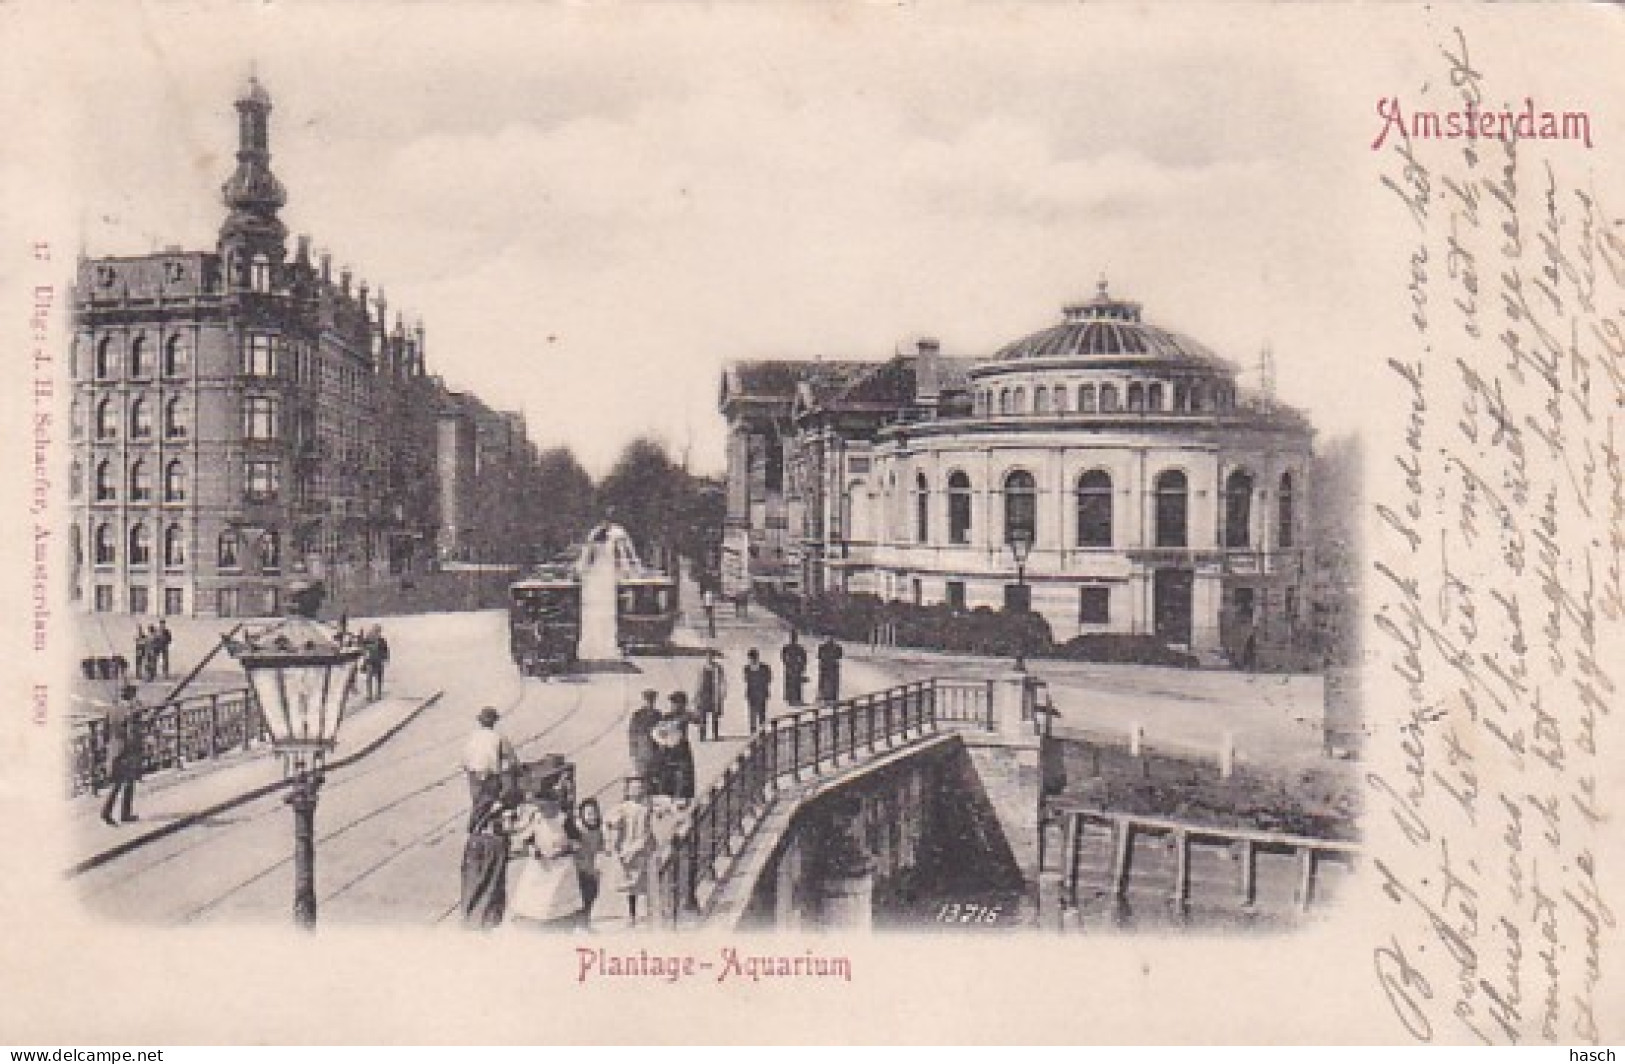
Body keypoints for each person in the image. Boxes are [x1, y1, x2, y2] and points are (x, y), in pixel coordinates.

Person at [505, 793, 583, 930]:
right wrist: (533, 849)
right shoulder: (537, 818)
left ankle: (558, 918)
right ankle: (532, 916)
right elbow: (527, 838)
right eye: (540, 807)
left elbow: (577, 842)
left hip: (560, 864)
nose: (543, 810)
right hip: (540, 862)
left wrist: (564, 849)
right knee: (533, 888)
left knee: (556, 893)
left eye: (546, 807)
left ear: (555, 806)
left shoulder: (564, 820)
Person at [459, 779, 516, 930]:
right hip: (489, 845)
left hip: (478, 844)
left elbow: (472, 826)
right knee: (492, 887)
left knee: (475, 886)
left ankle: (472, 921)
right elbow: (507, 827)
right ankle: (484, 923)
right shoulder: (497, 804)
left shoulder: (483, 801)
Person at [602, 778, 652, 928]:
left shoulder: (646, 807)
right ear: (628, 791)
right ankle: (632, 914)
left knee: (645, 880)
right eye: (633, 788)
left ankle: (648, 912)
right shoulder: (623, 807)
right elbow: (609, 821)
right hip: (628, 846)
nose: (636, 791)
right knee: (631, 883)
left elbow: (649, 827)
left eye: (639, 788)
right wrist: (612, 835)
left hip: (643, 845)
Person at [100, 684, 145, 826]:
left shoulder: (111, 709)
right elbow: (133, 733)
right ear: (132, 695)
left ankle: (121, 813)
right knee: (125, 782)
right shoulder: (130, 711)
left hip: (114, 749)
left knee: (119, 782)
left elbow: (105, 732)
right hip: (127, 750)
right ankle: (109, 812)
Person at [463, 706, 518, 816]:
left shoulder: (473, 735)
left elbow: (466, 757)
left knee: (478, 801)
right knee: (495, 797)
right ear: (494, 722)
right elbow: (511, 759)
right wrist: (516, 770)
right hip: (490, 774)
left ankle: (476, 821)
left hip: (473, 772)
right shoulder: (499, 737)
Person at [651, 692, 697, 801]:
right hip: (668, 750)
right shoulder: (667, 716)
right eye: (673, 704)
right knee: (667, 777)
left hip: (682, 749)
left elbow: (698, 720)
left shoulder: (686, 715)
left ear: (683, 704)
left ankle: (684, 800)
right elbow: (659, 731)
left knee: (685, 778)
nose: (674, 706)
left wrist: (691, 715)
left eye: (676, 704)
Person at [572, 798, 606, 931]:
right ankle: (580, 924)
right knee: (581, 897)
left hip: (591, 868)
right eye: (588, 814)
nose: (592, 817)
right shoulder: (578, 830)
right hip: (578, 869)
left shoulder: (597, 831)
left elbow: (600, 848)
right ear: (582, 815)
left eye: (594, 813)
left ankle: (586, 922)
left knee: (592, 894)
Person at [627, 688, 661, 787]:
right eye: (648, 701)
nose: (650, 703)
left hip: (654, 751)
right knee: (642, 777)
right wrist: (633, 751)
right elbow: (632, 733)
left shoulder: (658, 715)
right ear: (644, 701)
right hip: (641, 750)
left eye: (652, 701)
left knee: (654, 778)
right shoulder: (637, 715)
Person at [694, 649, 726, 741]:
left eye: (711, 656)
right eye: (707, 657)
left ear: (713, 657)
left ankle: (715, 735)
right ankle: (702, 735)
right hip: (704, 694)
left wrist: (722, 693)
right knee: (702, 715)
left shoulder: (718, 668)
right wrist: (696, 695)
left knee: (715, 715)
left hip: (714, 694)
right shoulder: (702, 668)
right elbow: (698, 682)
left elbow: (722, 681)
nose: (709, 658)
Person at [743, 648, 772, 733]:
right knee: (752, 715)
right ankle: (753, 734)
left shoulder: (764, 667)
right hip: (751, 694)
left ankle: (762, 733)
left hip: (761, 694)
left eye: (753, 658)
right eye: (750, 658)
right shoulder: (747, 668)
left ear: (757, 657)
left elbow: (769, 679)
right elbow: (746, 680)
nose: (752, 660)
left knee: (762, 715)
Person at [781, 630, 808, 707]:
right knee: (790, 683)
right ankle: (790, 699)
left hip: (796, 667)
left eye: (794, 637)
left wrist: (801, 666)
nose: (793, 639)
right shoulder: (787, 647)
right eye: (792, 637)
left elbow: (804, 658)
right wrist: (787, 663)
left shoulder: (799, 648)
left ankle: (797, 699)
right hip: (790, 667)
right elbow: (783, 657)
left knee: (797, 683)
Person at [364, 626, 390, 700]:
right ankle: (370, 694)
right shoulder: (368, 639)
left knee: (378, 678)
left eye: (378, 632)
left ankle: (378, 694)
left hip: (378, 661)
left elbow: (386, 650)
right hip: (371, 661)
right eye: (376, 631)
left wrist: (386, 658)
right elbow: (363, 648)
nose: (377, 633)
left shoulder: (382, 641)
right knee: (369, 678)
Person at [817, 635, 844, 705]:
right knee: (825, 681)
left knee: (830, 681)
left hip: (830, 666)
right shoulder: (822, 647)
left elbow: (839, 656)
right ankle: (824, 696)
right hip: (827, 666)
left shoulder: (835, 647)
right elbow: (819, 656)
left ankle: (830, 697)